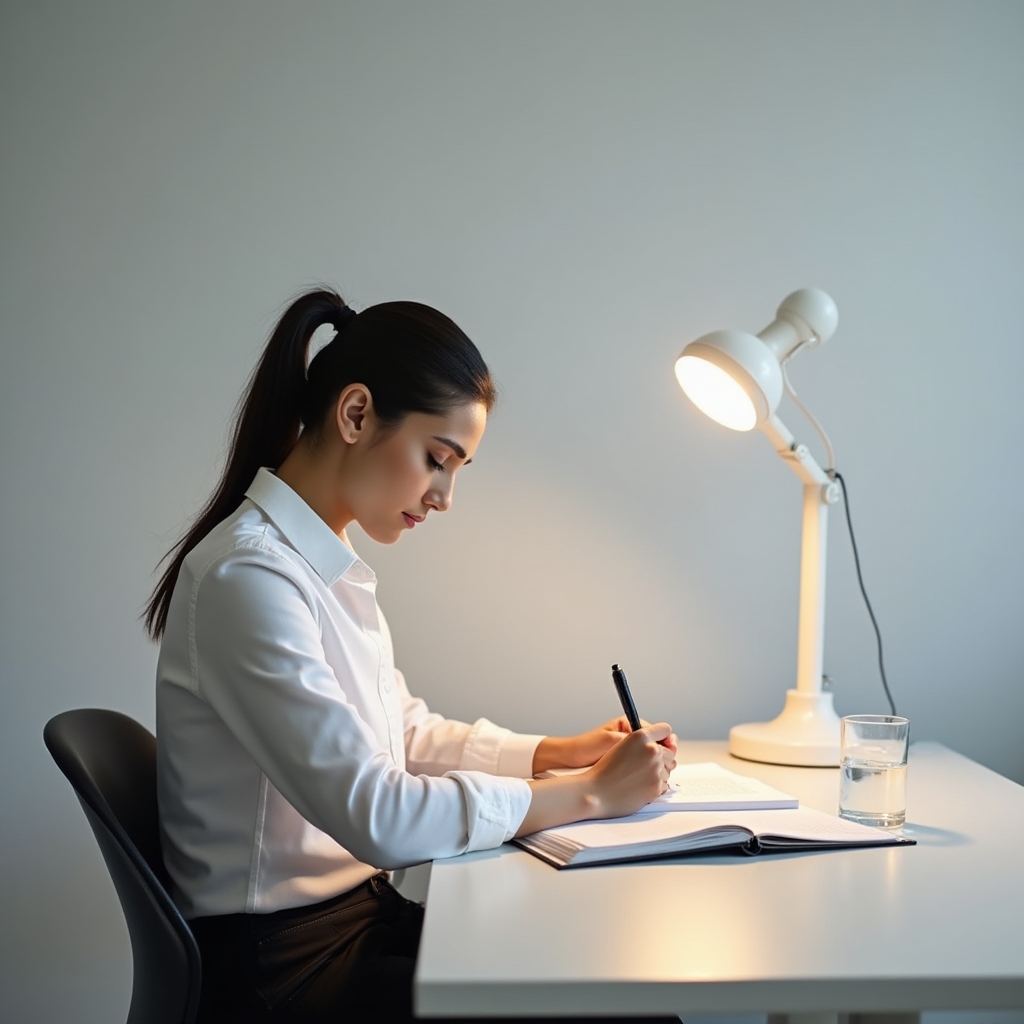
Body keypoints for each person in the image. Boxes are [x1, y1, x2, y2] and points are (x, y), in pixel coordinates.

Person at [146, 288, 678, 1024]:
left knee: (613, 973)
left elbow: (403, 736)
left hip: (354, 926)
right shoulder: (248, 579)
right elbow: (378, 813)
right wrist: (589, 794)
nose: (445, 496)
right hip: (284, 977)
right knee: (621, 1005)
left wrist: (557, 753)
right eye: (438, 459)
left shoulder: (322, 563)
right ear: (356, 414)